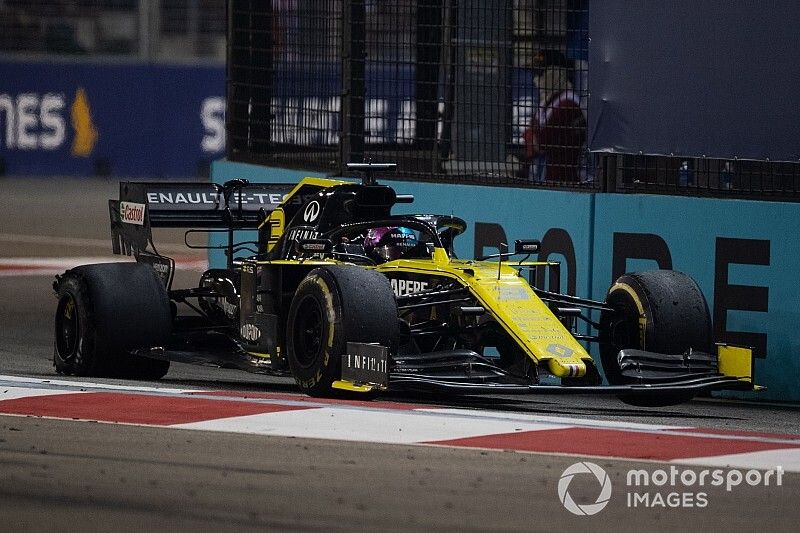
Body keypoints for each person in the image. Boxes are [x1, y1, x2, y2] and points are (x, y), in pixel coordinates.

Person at [522, 50, 587, 182]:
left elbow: (542, 142)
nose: (535, 80)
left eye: (540, 74)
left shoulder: (568, 104)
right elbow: (528, 137)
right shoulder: (547, 102)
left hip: (566, 183)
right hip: (545, 179)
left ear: (555, 74)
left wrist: (535, 138)